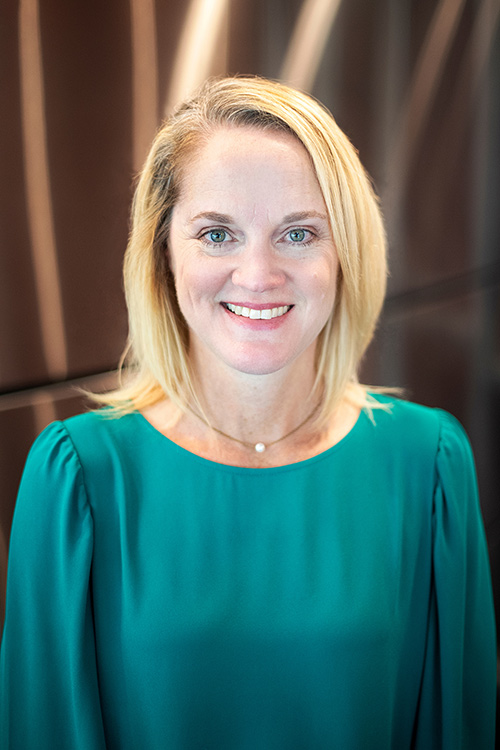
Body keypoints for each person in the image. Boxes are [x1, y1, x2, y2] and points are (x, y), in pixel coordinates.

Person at [0, 76, 496, 748]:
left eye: (297, 233)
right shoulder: (79, 479)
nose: (258, 274)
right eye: (217, 234)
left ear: (344, 252)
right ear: (162, 255)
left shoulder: (428, 463)